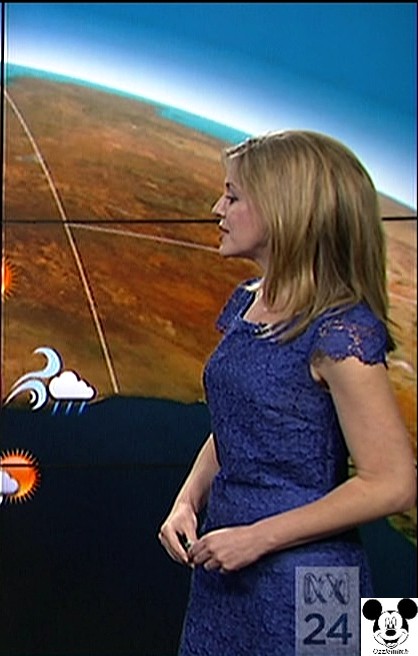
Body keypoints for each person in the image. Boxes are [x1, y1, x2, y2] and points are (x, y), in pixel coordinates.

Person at [158, 130, 416, 656]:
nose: (217, 209)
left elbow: (393, 484)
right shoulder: (248, 301)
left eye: (232, 196)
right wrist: (187, 501)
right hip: (225, 563)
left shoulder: (341, 331)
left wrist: (257, 537)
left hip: (316, 581)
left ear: (286, 211)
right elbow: (238, 421)